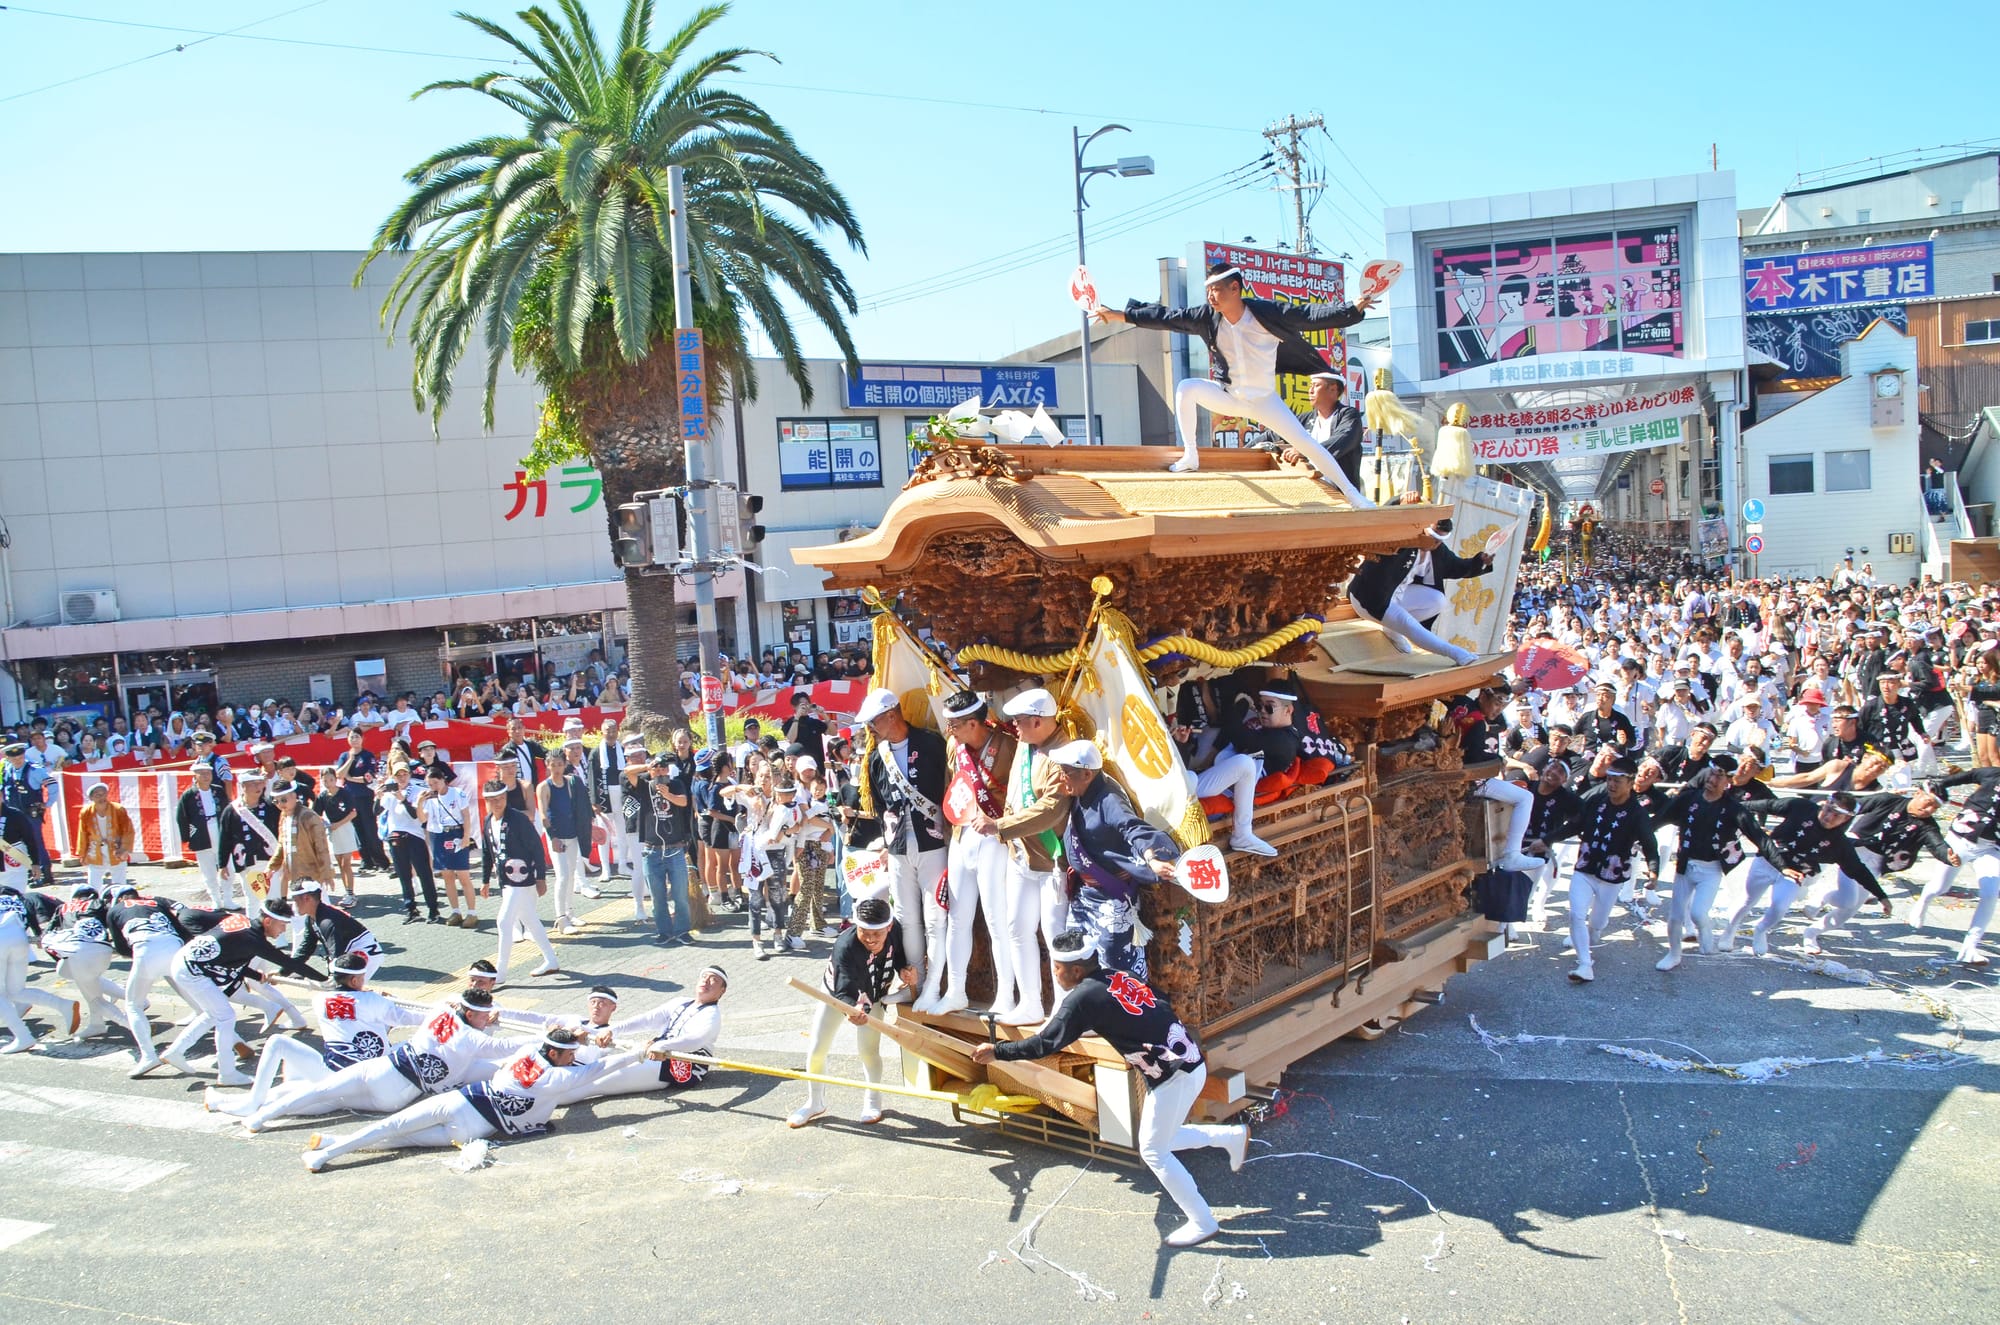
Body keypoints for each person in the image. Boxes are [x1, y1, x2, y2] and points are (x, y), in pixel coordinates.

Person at [974, 928, 1247, 1248]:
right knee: (1165, 1138)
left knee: (1154, 1151)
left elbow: (1046, 1043)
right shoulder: (1117, 975)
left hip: (1174, 1076)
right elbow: (1160, 998)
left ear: (1076, 970)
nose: (1054, 972)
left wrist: (998, 1052)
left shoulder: (1083, 997)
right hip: (1187, 1062)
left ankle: (1203, 1221)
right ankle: (1230, 1137)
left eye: (1057, 967)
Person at [1094, 262, 1375, 502]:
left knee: (1307, 444)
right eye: (1208, 291)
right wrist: (1119, 314)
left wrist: (1353, 308)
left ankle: (1354, 496)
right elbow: (1167, 317)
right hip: (1231, 396)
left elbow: (1309, 316)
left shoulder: (1266, 313)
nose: (1211, 296)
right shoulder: (1207, 318)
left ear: (1235, 289)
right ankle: (1190, 455)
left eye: (1216, 289)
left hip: (1265, 401)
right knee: (1186, 388)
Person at [302, 1027, 637, 1171]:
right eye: (571, 1053)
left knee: (393, 1128)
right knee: (401, 1136)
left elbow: (562, 1040)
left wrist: (582, 1034)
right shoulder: (556, 1077)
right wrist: (637, 1053)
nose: (573, 1058)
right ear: (556, 1052)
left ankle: (330, 1149)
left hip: (461, 1101)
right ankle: (329, 1148)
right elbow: (601, 1068)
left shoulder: (532, 1051)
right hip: (473, 1126)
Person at [234, 987, 520, 1134]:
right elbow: (502, 1046)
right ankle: (257, 1111)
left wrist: (377, 997)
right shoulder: (472, 1039)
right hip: (395, 1093)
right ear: (470, 1014)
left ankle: (258, 1117)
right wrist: (543, 1041)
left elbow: (448, 1007)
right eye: (484, 1015)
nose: (487, 1019)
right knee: (331, 1100)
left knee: (321, 1091)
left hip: (382, 1067)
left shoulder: (439, 1010)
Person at [208, 950, 426, 1118]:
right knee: (409, 1046)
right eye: (362, 976)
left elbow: (345, 1006)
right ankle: (241, 1103)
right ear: (355, 981)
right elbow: (408, 1018)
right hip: (367, 1080)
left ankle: (246, 1101)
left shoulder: (320, 1000)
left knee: (280, 1047)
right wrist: (444, 1010)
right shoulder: (375, 1001)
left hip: (332, 1077)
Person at [976, 688, 1073, 1025]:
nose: (1014, 726)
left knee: (1054, 934)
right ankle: (1030, 1002)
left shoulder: (1063, 754)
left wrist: (1000, 826)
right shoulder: (1024, 744)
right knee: (1017, 929)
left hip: (1051, 860)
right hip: (1021, 856)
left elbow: (1051, 810)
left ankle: (1064, 1007)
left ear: (1037, 720)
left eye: (1019, 721)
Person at [1044, 738, 1180, 979]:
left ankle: (1130, 1015)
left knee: (1117, 967)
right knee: (1075, 958)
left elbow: (1132, 828)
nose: (1061, 776)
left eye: (1066, 772)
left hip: (1111, 899)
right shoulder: (1079, 791)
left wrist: (1152, 858)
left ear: (1086, 774)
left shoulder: (1109, 800)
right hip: (1084, 895)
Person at [157, 898, 324, 1086]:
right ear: (268, 921)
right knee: (226, 1016)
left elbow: (226, 951)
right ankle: (227, 1073)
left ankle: (176, 1051)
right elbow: (290, 963)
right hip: (192, 971)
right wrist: (326, 982)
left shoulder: (241, 921)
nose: (283, 930)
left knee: (213, 1014)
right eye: (282, 925)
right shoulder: (254, 940)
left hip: (187, 961)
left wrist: (253, 973)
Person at [924, 690, 1015, 1015]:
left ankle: (1006, 994)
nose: (949, 731)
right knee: (958, 918)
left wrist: (999, 821)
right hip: (963, 837)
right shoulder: (955, 747)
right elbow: (954, 789)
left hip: (995, 838)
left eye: (955, 725)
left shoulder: (1008, 745)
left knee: (997, 919)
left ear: (975, 723)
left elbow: (1018, 796)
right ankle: (956, 990)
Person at [786, 897, 913, 1129]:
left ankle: (873, 1101)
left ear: (889, 926)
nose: (871, 939)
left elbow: (899, 956)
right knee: (817, 1047)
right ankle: (815, 1101)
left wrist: (904, 969)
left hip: (874, 995)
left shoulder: (896, 932)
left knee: (868, 1051)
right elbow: (843, 987)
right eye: (865, 932)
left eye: (877, 933)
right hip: (838, 995)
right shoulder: (845, 944)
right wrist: (852, 1008)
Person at [853, 687, 947, 994]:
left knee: (935, 917)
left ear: (891, 715)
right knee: (906, 917)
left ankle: (936, 984)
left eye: (874, 722)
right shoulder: (876, 759)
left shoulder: (931, 743)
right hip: (897, 846)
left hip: (933, 840)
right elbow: (880, 805)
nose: (871, 730)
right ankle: (915, 980)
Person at [1537, 754, 1660, 983]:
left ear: (1630, 783)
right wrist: (1547, 840)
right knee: (1576, 914)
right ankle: (1585, 964)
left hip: (1611, 876)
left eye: (1618, 781)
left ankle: (1591, 935)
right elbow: (1575, 825)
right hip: (1585, 867)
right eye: (1609, 779)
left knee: (1598, 922)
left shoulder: (1637, 813)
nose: (1611, 785)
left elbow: (1649, 844)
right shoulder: (1596, 801)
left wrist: (1653, 872)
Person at [1720, 792, 1879, 957]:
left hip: (1795, 872)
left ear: (1845, 819)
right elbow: (1766, 804)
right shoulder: (1801, 807)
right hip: (1767, 862)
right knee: (1747, 900)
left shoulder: (1840, 842)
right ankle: (1730, 930)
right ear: (1824, 803)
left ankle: (1760, 930)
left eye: (1836, 815)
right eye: (1828, 809)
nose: (1829, 816)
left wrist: (1881, 895)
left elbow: (1858, 869)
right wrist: (1730, 806)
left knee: (1780, 907)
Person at [1652, 754, 1775, 966]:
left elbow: (1760, 838)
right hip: (1685, 865)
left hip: (1711, 869)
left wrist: (1782, 865)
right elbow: (1658, 820)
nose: (1712, 780)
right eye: (1711, 774)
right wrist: (1634, 838)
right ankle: (1674, 954)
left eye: (1720, 776)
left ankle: (1706, 935)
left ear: (1728, 781)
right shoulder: (1689, 798)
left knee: (1699, 913)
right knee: (1675, 917)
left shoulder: (1733, 809)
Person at [1804, 788, 1957, 956]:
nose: (1929, 810)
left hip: (1877, 863)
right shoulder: (1888, 800)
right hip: (1855, 849)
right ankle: (1822, 898)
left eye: (1934, 808)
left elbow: (1938, 845)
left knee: (1850, 909)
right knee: (1847, 899)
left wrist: (1948, 857)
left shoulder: (1928, 827)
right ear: (1918, 793)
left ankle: (1812, 932)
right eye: (1929, 803)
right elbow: (1855, 807)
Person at [549, 966, 729, 1104]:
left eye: (713, 980)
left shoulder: (712, 1015)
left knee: (604, 1079)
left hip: (685, 1065)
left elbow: (695, 1041)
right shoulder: (681, 1002)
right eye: (704, 977)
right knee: (606, 1066)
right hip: (657, 1052)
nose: (706, 981)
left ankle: (552, 1097)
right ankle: (553, 1085)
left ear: (722, 991)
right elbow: (647, 1019)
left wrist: (662, 1046)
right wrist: (613, 1029)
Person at [1346, 521, 1494, 666]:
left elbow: (1458, 567)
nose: (1435, 544)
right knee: (1409, 625)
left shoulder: (1437, 551)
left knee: (1437, 600)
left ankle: (1392, 628)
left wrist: (1481, 561)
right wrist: (1401, 500)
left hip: (1397, 596)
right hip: (1370, 599)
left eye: (1439, 541)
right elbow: (1383, 514)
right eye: (1433, 538)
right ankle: (1457, 654)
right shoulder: (1399, 539)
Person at [1193, 683, 1297, 858]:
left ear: (1288, 710)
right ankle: (1242, 833)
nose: (1262, 711)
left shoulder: (1284, 741)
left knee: (1245, 763)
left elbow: (1238, 735)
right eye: (1259, 706)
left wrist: (1240, 705)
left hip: (1224, 793)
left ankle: (1243, 834)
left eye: (1269, 707)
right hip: (1214, 780)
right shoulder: (1264, 729)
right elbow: (1230, 732)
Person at [102, 881, 192, 1074]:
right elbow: (181, 930)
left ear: (116, 899)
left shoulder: (114, 910)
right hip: (175, 948)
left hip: (146, 949)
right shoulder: (156, 902)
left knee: (133, 1005)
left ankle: (149, 1056)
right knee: (202, 1005)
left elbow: (121, 947)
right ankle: (234, 1041)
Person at [479, 778, 559, 983]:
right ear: (486, 801)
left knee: (504, 921)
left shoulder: (518, 819)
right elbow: (487, 852)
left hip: (524, 879)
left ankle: (501, 973)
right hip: (506, 880)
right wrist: (485, 880)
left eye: (502, 798)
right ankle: (551, 959)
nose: (498, 803)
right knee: (530, 919)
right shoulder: (488, 821)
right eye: (493, 800)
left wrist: (540, 877)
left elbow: (536, 848)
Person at [377, 763, 442, 924]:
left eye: (404, 774)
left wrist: (403, 799)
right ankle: (411, 908)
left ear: (409, 774)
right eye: (398, 775)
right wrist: (377, 797)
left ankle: (433, 909)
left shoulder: (417, 790)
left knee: (424, 874)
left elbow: (415, 815)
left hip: (414, 836)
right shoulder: (389, 792)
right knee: (404, 875)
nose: (401, 778)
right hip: (395, 837)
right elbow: (376, 812)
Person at [644, 746, 694, 944]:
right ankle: (663, 931)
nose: (660, 772)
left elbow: (683, 802)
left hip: (675, 848)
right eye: (657, 768)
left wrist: (667, 794)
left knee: (680, 895)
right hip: (651, 850)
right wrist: (648, 765)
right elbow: (626, 774)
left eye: (664, 768)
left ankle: (682, 931)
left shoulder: (676, 784)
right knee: (657, 897)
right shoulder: (644, 786)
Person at [287, 880, 384, 979]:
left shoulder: (328, 922)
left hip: (364, 952)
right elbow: (306, 948)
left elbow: (336, 953)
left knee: (344, 989)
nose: (293, 905)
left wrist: (334, 977)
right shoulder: (311, 918)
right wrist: (285, 970)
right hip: (347, 953)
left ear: (306, 898)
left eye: (295, 900)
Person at [1294, 371, 1364, 492]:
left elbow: (1343, 439)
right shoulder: (1304, 419)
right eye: (1310, 386)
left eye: (1316, 386)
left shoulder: (1349, 416)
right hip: (1309, 493)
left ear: (1333, 389)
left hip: (1342, 496)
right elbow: (1273, 434)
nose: (1310, 390)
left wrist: (1307, 451)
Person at [176, 762, 229, 909]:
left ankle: (229, 897)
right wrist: (187, 836)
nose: (206, 776)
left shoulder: (218, 791)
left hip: (219, 829)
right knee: (208, 869)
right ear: (195, 776)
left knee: (227, 865)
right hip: (201, 832)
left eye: (208, 773)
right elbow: (182, 817)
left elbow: (227, 811)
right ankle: (216, 899)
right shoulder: (188, 795)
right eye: (202, 774)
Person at [76, 781, 135, 894]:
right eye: (97, 795)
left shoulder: (118, 809)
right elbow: (82, 833)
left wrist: (125, 849)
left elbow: (128, 830)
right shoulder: (86, 812)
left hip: (116, 849)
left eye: (103, 794)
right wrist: (82, 854)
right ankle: (95, 905)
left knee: (120, 882)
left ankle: (120, 903)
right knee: (93, 883)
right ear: (92, 798)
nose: (101, 798)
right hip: (95, 851)